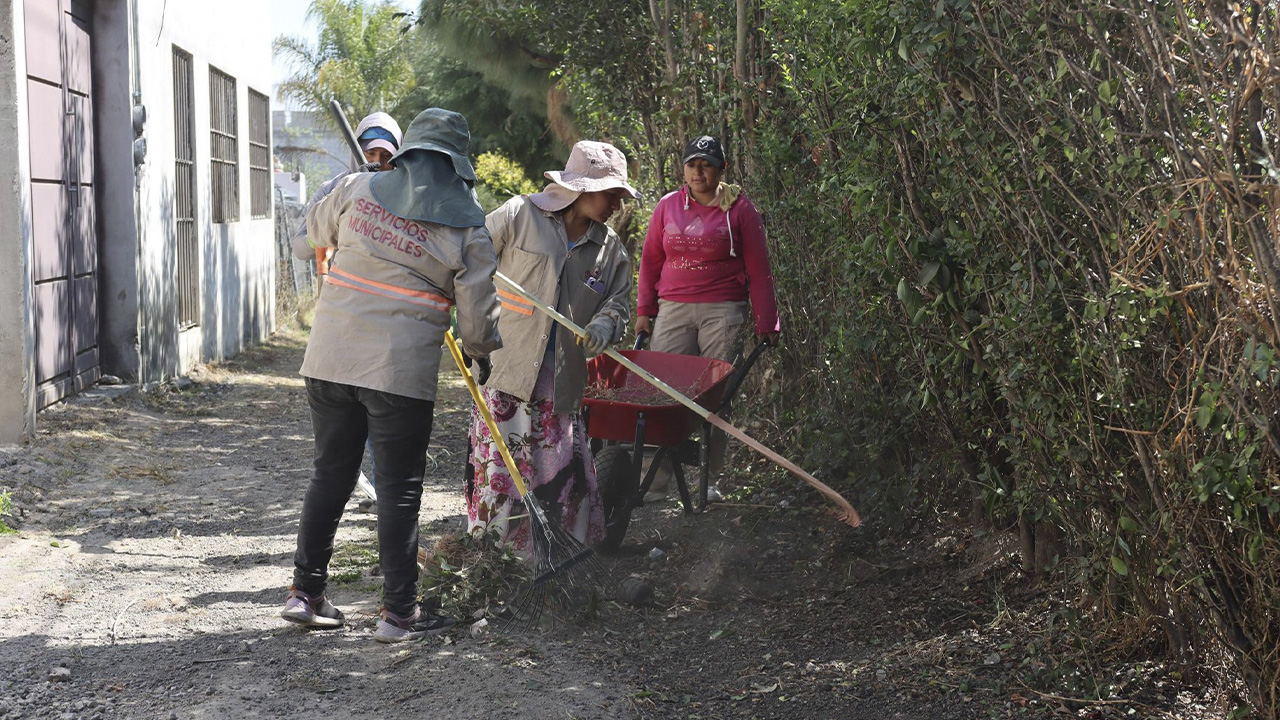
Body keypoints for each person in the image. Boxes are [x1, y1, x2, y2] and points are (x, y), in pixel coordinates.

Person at [283, 108, 502, 643]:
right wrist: (481, 354)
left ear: (406, 154)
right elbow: (477, 316)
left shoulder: (358, 189)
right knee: (400, 490)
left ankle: (305, 594)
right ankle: (398, 614)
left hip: (331, 358)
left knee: (330, 472)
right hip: (397, 372)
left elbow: (313, 227)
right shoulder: (468, 223)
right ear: (457, 164)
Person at [465, 140, 639, 555]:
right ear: (580, 188)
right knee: (503, 472)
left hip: (560, 381)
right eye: (610, 193)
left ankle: (553, 558)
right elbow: (471, 256)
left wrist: (605, 323)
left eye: (619, 195)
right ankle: (497, 560)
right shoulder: (520, 215)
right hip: (506, 368)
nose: (616, 203)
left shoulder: (610, 248)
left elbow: (619, 301)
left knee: (556, 471)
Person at [634, 135, 781, 502]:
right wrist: (644, 312)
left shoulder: (740, 210)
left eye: (707, 164)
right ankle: (655, 480)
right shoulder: (668, 207)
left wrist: (768, 322)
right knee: (661, 389)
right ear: (683, 169)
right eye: (692, 164)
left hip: (723, 310)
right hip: (673, 308)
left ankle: (708, 479)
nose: (698, 171)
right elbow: (651, 261)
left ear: (721, 169)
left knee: (716, 397)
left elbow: (759, 270)